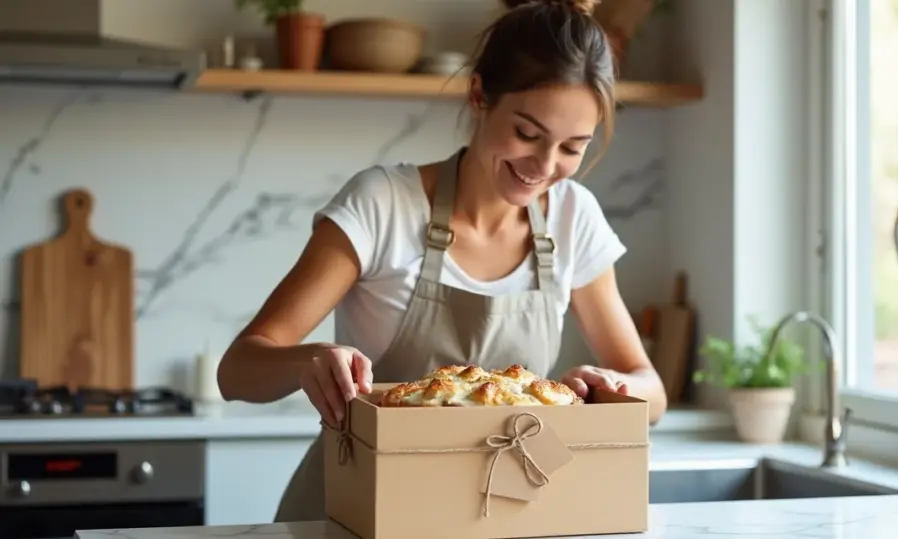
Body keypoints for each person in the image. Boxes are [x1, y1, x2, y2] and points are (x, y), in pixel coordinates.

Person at [217, 0, 668, 523]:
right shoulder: (382, 203)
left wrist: (614, 388)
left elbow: (651, 394)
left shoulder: (573, 217)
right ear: (479, 95)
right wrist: (306, 360)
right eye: (526, 133)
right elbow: (237, 371)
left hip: (494, 519)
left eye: (572, 147)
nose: (544, 167)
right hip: (353, 515)